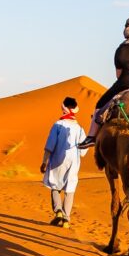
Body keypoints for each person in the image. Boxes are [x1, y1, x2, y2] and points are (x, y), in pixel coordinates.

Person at [41, 94, 91, 226]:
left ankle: (58, 211)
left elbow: (50, 145)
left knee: (54, 184)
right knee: (70, 188)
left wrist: (44, 162)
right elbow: (84, 150)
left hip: (58, 158)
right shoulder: (79, 128)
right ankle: (66, 219)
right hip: (74, 161)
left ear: (64, 108)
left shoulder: (58, 124)